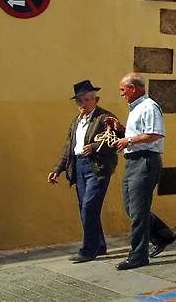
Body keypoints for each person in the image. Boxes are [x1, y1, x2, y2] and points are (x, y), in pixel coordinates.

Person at [102, 73, 176, 270]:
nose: (121, 94)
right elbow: (138, 134)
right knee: (132, 208)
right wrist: (120, 130)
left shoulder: (149, 107)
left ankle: (138, 255)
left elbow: (155, 134)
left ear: (133, 88)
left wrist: (127, 140)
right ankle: (163, 235)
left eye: (122, 90)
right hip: (132, 161)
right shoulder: (136, 108)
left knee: (138, 211)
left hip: (145, 161)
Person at [48, 79, 119, 263]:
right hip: (78, 166)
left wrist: (95, 146)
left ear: (96, 99)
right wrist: (58, 169)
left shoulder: (104, 118)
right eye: (80, 100)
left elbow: (115, 140)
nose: (83, 103)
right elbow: (68, 147)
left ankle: (88, 250)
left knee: (88, 207)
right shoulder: (76, 122)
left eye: (87, 99)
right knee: (86, 208)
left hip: (98, 167)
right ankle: (100, 244)